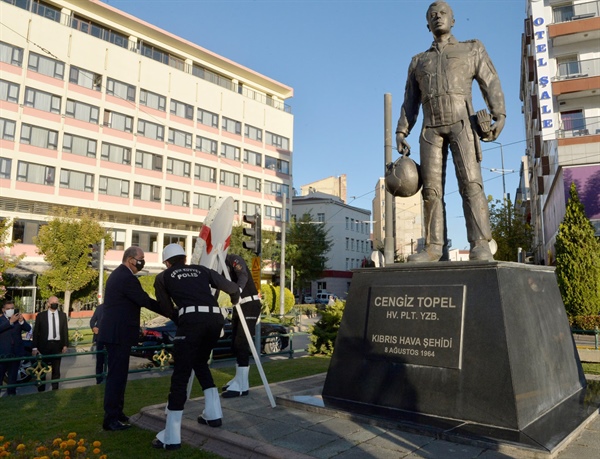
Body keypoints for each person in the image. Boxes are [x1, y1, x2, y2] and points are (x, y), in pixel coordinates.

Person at [396, 1, 506, 262]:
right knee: (432, 191)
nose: (437, 17)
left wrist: (498, 113)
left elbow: (490, 81)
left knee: (471, 183)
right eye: (432, 15)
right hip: (430, 128)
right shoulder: (418, 62)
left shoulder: (471, 49)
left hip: (462, 123)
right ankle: (434, 247)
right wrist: (402, 130)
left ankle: (480, 243)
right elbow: (410, 100)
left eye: (443, 13)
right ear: (427, 25)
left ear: (453, 20)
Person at [151, 243, 240, 450]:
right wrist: (234, 301)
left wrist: (180, 317)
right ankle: (213, 414)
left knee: (181, 373)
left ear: (166, 262)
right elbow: (233, 288)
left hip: (191, 321)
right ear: (184, 258)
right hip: (215, 319)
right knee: (200, 362)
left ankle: (171, 436)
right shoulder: (201, 270)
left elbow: (166, 308)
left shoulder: (163, 277)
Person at [99, 246, 168, 431]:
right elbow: (144, 300)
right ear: (130, 259)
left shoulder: (119, 275)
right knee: (117, 377)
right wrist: (170, 311)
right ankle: (111, 418)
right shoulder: (126, 278)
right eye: (141, 258)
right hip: (118, 334)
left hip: (117, 333)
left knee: (119, 376)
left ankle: (117, 413)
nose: (142, 262)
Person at [221, 253, 261, 398]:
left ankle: (242, 385)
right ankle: (238, 379)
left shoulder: (233, 259)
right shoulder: (219, 266)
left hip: (249, 304)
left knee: (242, 342)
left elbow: (242, 275)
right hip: (238, 305)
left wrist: (238, 291)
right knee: (235, 344)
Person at [31, 296, 69, 392]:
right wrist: (34, 347)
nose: (55, 303)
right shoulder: (41, 315)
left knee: (56, 368)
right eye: (53, 302)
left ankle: (55, 389)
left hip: (57, 345)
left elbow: (65, 330)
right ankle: (41, 389)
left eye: (57, 302)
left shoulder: (62, 315)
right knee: (42, 368)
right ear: (48, 304)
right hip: (44, 345)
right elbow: (36, 332)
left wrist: (65, 344)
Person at [0, 300, 32, 396]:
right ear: (3, 310)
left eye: (12, 308)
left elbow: (28, 329)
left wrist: (22, 321)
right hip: (3, 354)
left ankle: (11, 395)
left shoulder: (18, 320)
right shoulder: (1, 320)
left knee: (13, 376)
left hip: (15, 353)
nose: (10, 310)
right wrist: (10, 322)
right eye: (8, 309)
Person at [89, 303, 105, 384]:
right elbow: (92, 321)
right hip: (100, 338)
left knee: (111, 361)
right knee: (99, 360)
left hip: (112, 339)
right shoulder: (100, 308)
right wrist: (93, 327)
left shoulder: (116, 307)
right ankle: (99, 380)